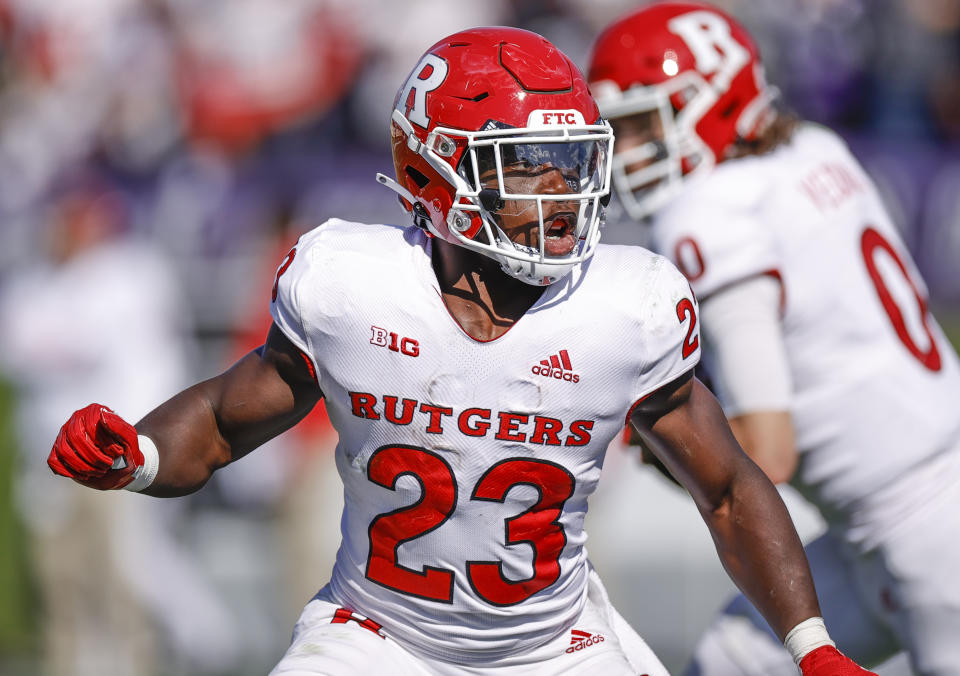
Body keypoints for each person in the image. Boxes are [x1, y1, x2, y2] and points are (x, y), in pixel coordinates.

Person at [46, 27, 873, 676]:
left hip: (556, 648)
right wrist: (142, 452)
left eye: (570, 162)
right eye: (527, 166)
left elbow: (727, 488)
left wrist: (814, 649)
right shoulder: (351, 285)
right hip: (376, 635)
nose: (562, 191)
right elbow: (227, 421)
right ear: (436, 176)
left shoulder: (627, 307)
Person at [587, 3, 960, 675]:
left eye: (645, 126)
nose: (633, 154)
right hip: (887, 523)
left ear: (712, 101)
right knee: (729, 660)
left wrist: (658, 446)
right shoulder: (814, 147)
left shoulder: (706, 213)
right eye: (622, 133)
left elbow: (766, 451)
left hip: (924, 532)